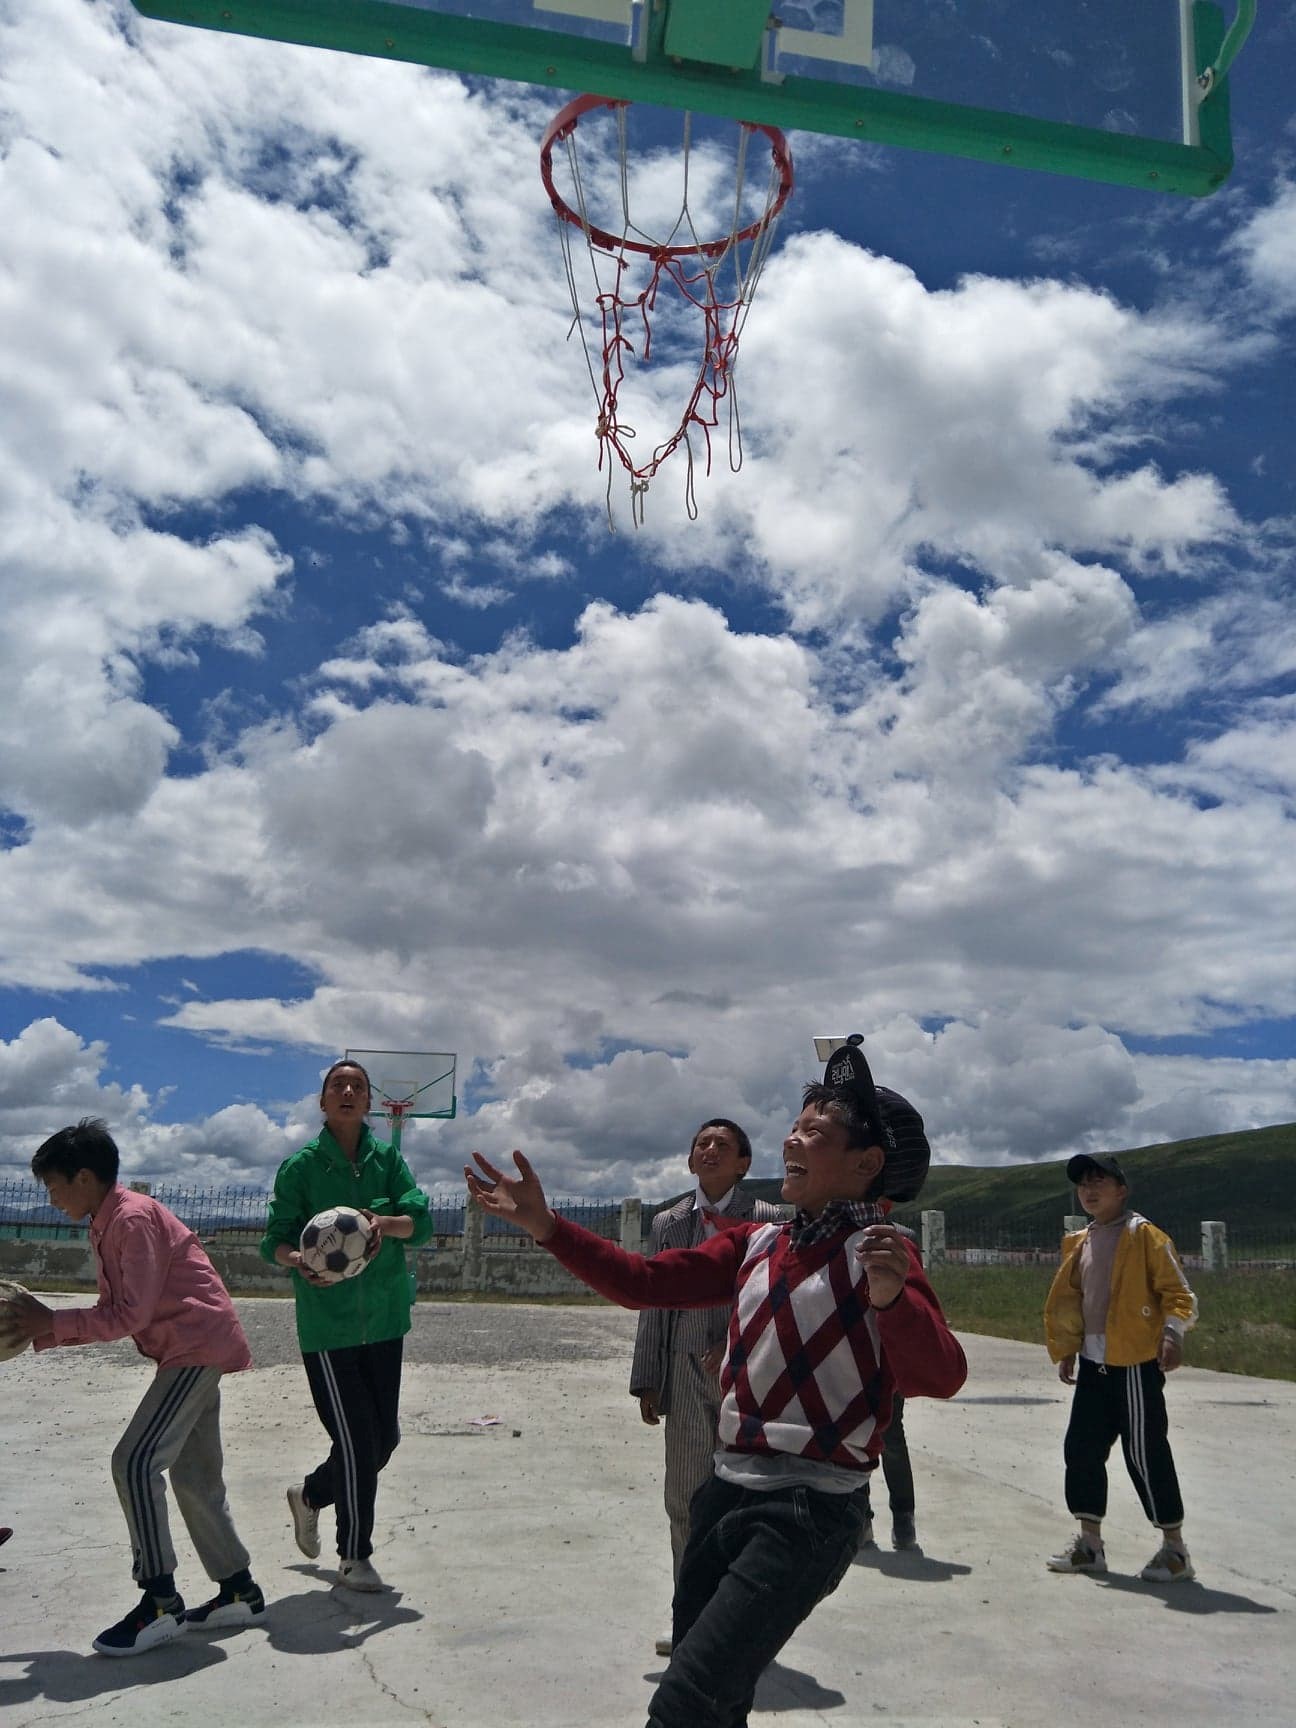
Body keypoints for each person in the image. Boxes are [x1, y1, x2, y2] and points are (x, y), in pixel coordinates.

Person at [466, 1037, 966, 1728]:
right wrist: (547, 1226)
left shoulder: (882, 1254)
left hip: (811, 1511)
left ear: (867, 1163)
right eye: (794, 1126)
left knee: (684, 1703)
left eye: (815, 1133)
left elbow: (941, 1375)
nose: (792, 1140)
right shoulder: (756, 1243)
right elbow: (644, 1284)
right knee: (717, 1704)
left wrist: (891, 1299)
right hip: (723, 1491)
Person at [6, 1119, 263, 1656]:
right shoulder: (105, 1221)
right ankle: (239, 1590)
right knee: (195, 1477)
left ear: (83, 1177)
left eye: (53, 1187)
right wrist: (45, 1330)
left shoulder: (132, 1218)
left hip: (195, 1347)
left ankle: (161, 1602)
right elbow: (112, 1311)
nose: (51, 1200)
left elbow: (130, 1315)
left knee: (135, 1461)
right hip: (191, 1347)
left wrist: (50, 1321)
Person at [261, 1058, 432, 1593]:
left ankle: (311, 1494)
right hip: (329, 1328)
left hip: (384, 1319)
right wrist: (298, 1260)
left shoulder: (388, 1161)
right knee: (357, 1440)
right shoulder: (301, 1168)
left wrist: (385, 1222)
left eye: (358, 1085)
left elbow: (421, 1221)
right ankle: (354, 1555)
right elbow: (275, 1239)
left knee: (383, 1442)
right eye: (338, 1084)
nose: (349, 1091)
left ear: (370, 1102)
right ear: (323, 1100)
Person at [630, 1118, 785, 1654]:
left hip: (749, 1376)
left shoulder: (768, 1220)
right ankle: (689, 1616)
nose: (710, 1149)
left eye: (724, 1144)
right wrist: (648, 1379)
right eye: (702, 1143)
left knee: (743, 1500)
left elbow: (773, 1295)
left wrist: (735, 1342)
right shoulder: (669, 1222)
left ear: (744, 1164)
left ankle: (735, 1622)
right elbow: (655, 1299)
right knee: (685, 1498)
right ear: (690, 1160)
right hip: (683, 1369)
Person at [1043, 1152, 1198, 1583]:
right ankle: (1089, 1546)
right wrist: (1068, 1348)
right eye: (1083, 1184)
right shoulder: (1082, 1240)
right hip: (1093, 1365)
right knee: (1081, 1450)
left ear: (1122, 1191)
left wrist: (1173, 1333)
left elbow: (1179, 1292)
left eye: (1099, 1182)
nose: (1089, 1191)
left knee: (1145, 1453)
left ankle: (1175, 1550)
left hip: (1133, 1364)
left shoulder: (1144, 1235)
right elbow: (1075, 1302)